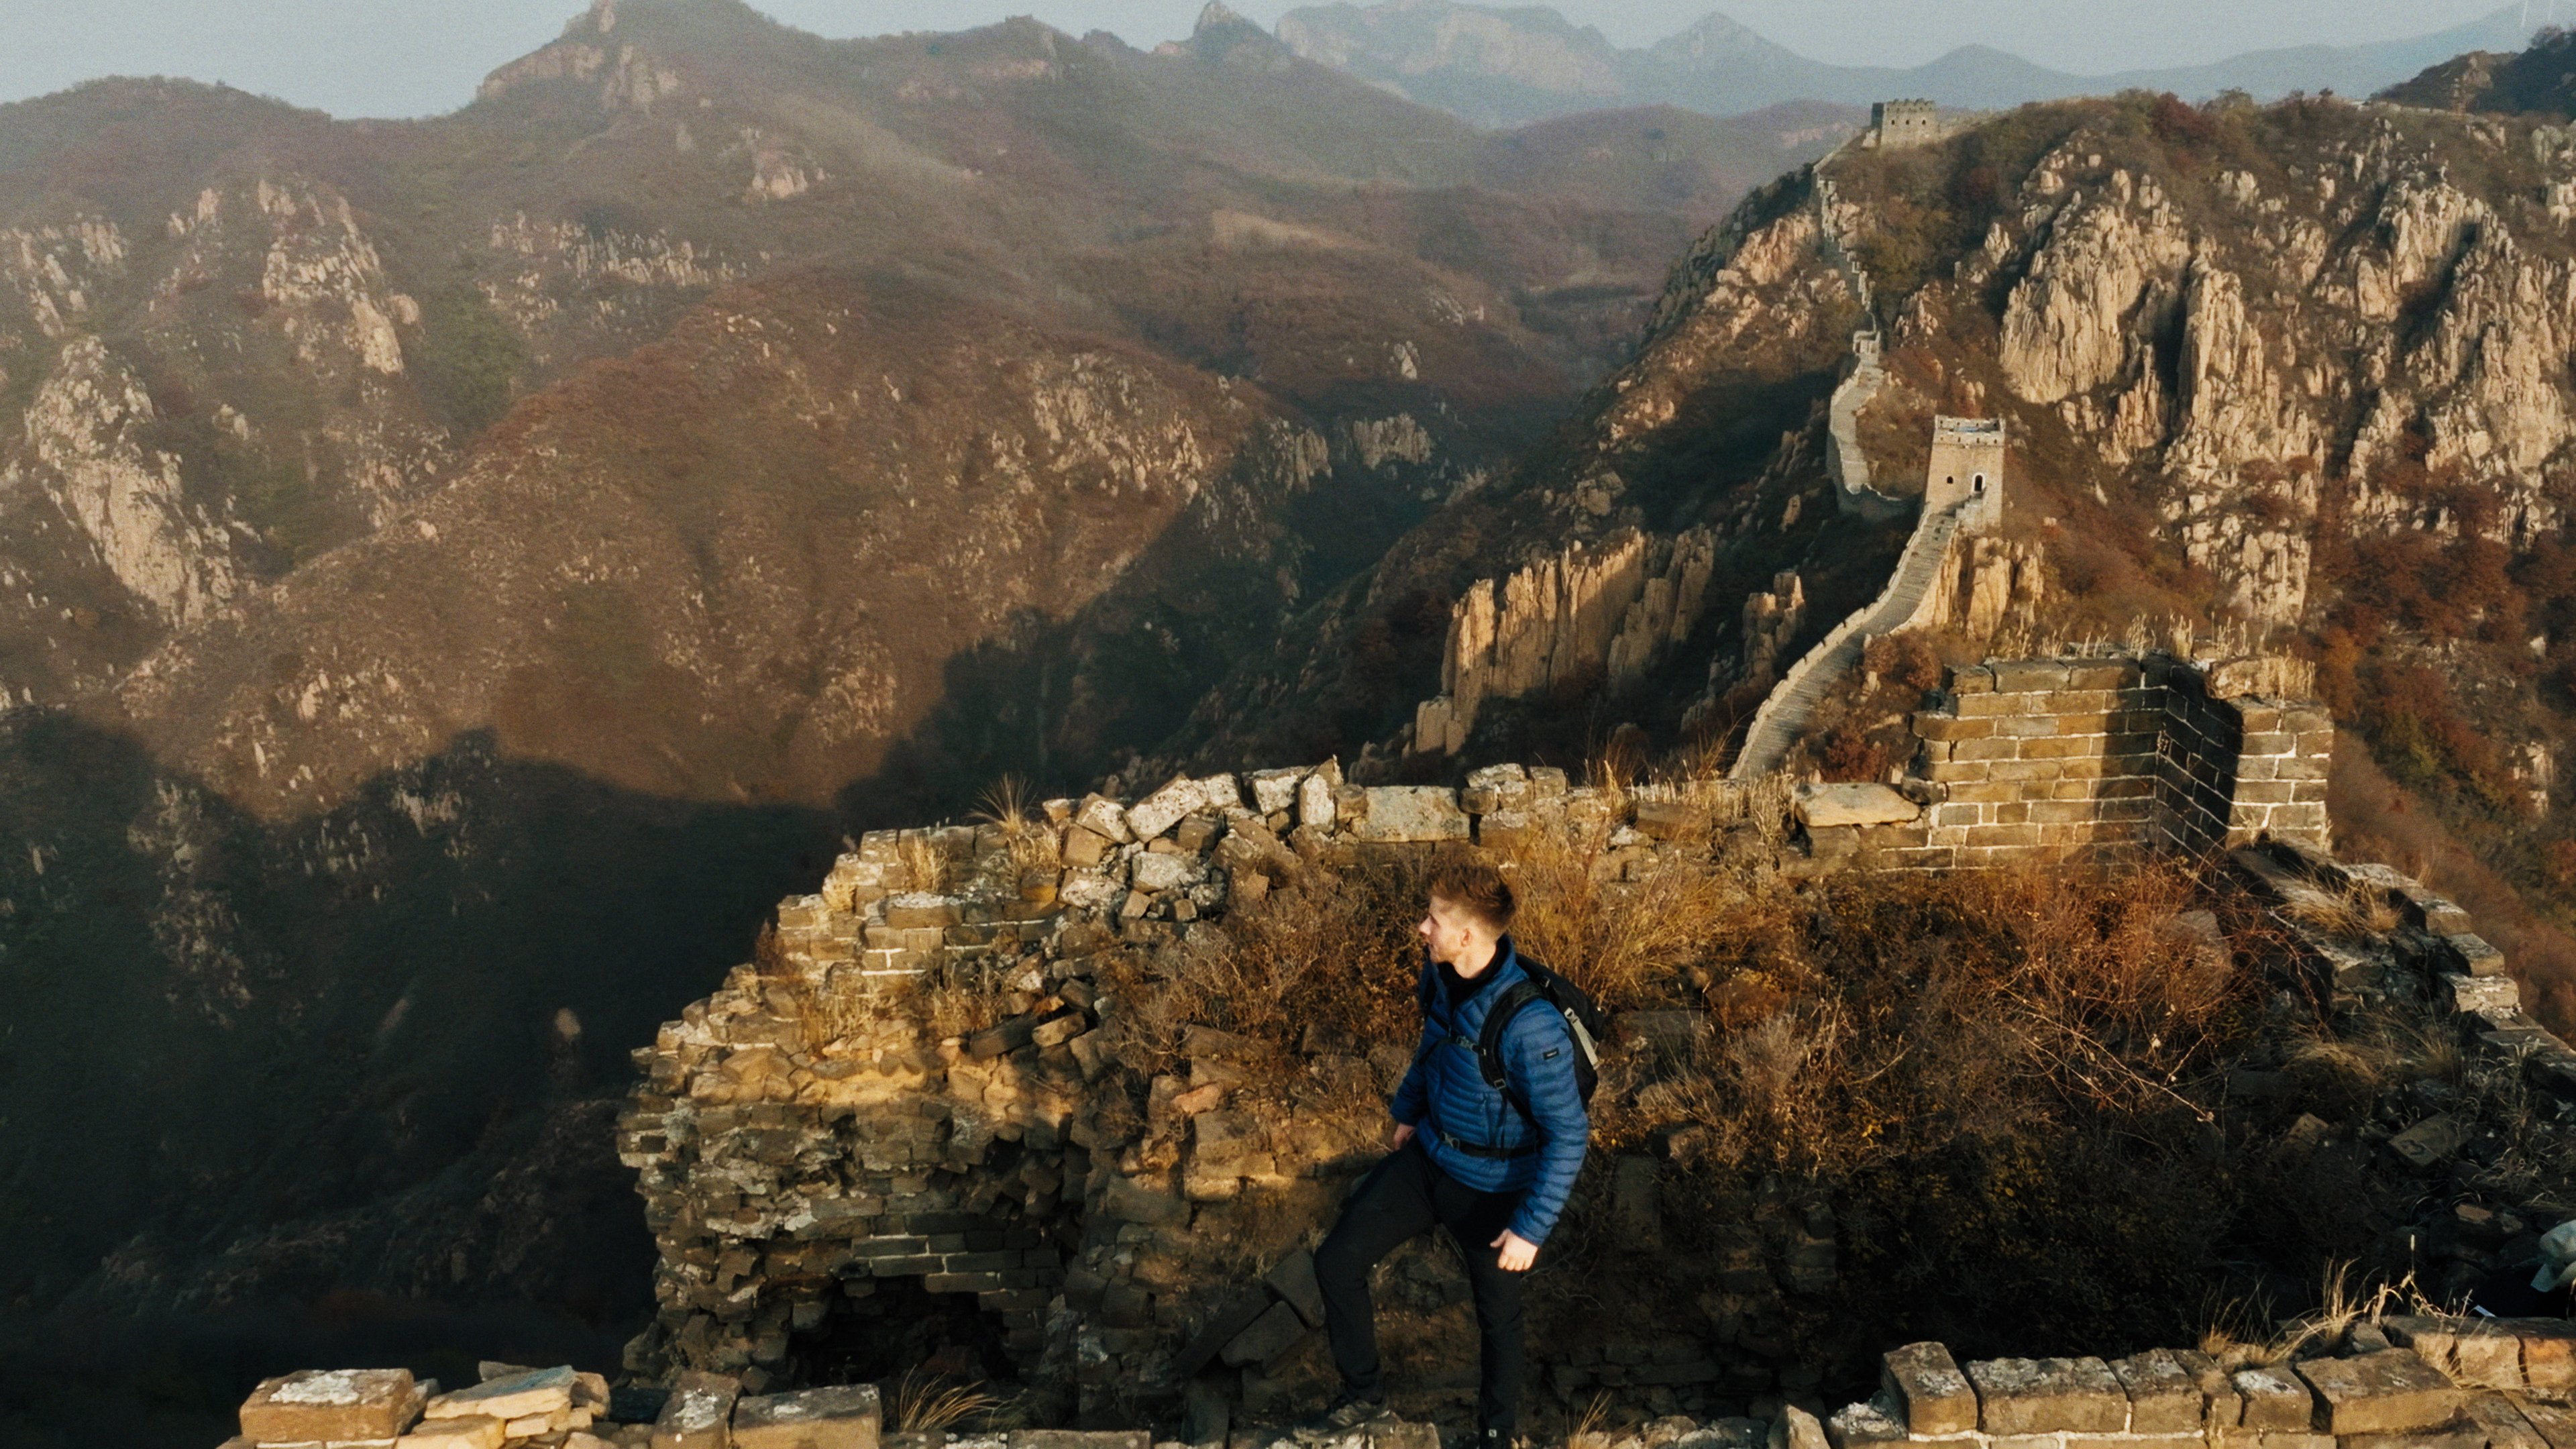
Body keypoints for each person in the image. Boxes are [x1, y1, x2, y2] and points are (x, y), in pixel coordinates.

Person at [1306, 853, 1591, 1448]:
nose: (1422, 928)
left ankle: (1494, 1433)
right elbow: (1434, 1041)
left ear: (1465, 934)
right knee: (1337, 1261)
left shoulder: (1530, 1027)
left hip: (1494, 1189)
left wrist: (1531, 1230)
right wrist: (1409, 1113)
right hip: (1431, 1158)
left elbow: (1568, 1133)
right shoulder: (1440, 973)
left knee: (1497, 1317)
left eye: (1433, 919)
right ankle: (1363, 1400)